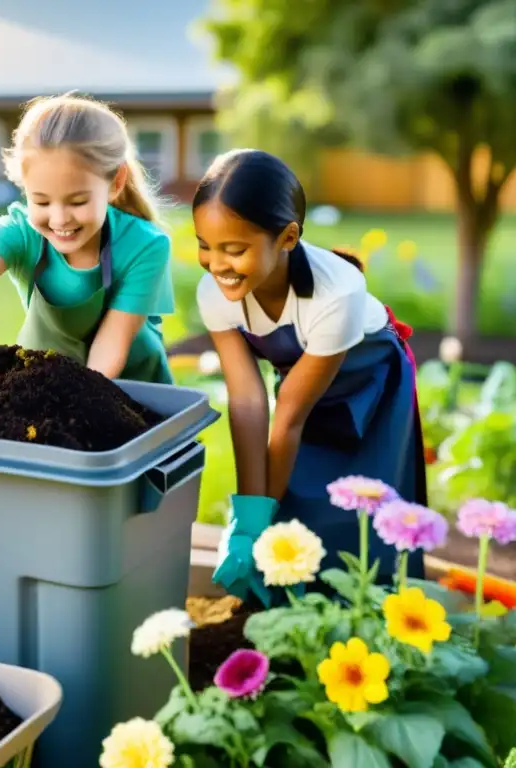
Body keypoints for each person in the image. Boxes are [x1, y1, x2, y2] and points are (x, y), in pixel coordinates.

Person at [196, 149, 427, 604]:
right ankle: (287, 611)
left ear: (287, 237)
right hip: (304, 384)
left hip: (371, 383)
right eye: (205, 245)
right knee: (291, 506)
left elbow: (288, 418)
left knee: (362, 510)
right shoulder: (217, 294)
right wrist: (248, 516)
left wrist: (260, 519)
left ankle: (370, 614)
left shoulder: (334, 294)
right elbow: (247, 402)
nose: (217, 264)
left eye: (234, 249)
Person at [0, 93, 175, 401]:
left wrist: (80, 405)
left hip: (134, 394)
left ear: (115, 183)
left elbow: (112, 343)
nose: (59, 219)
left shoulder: (144, 244)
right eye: (41, 200)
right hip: (49, 383)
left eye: (78, 201)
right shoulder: (20, 232)